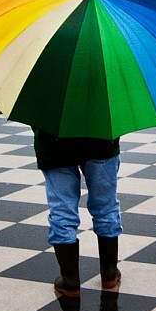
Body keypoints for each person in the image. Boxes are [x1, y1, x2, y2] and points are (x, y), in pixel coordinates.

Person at [35, 127, 119, 298]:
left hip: (53, 143)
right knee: (105, 207)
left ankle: (70, 280)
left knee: (62, 211)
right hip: (100, 140)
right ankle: (109, 273)